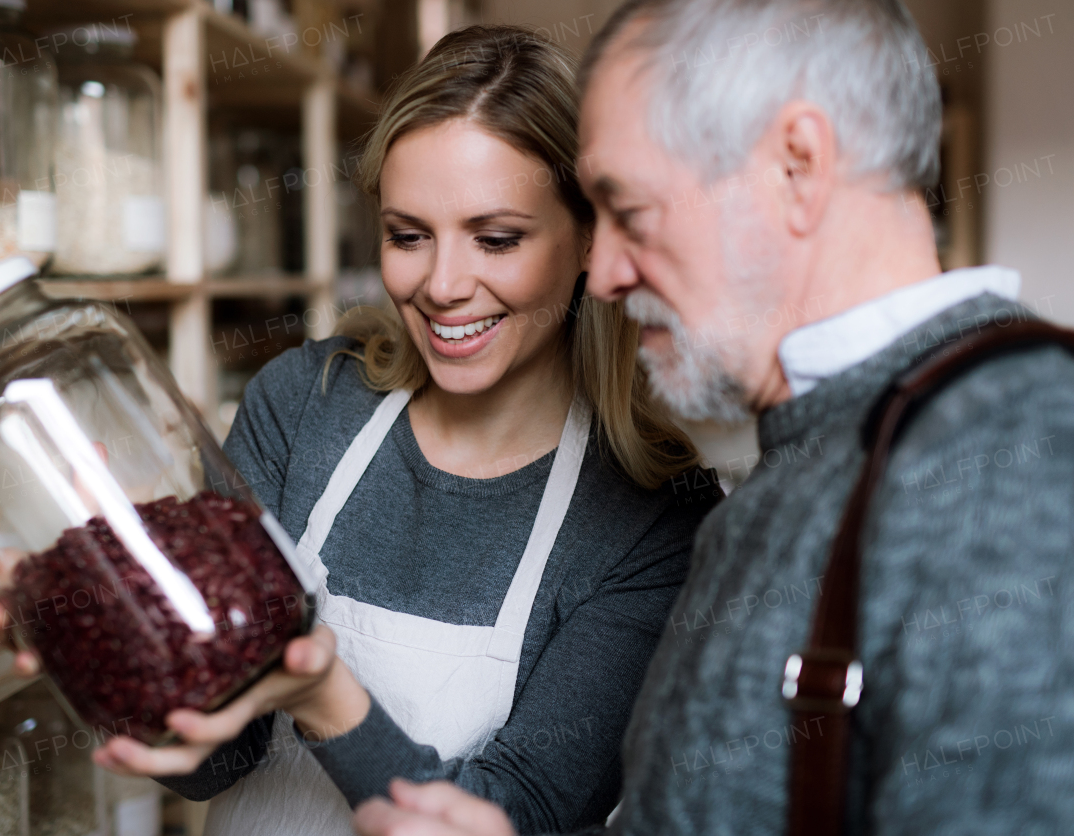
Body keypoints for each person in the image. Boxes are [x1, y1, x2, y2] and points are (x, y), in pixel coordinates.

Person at [0, 25, 717, 836]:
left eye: (496, 239)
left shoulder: (653, 517)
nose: (444, 285)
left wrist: (322, 694)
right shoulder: (306, 401)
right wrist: (98, 607)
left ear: (589, 236)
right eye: (408, 236)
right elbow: (211, 764)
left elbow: (514, 818)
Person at [350, 1, 1074, 834]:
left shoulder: (1017, 460)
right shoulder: (812, 455)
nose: (608, 273)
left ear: (797, 166)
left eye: (630, 210)